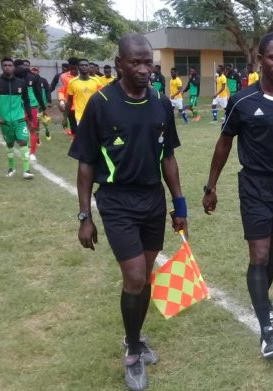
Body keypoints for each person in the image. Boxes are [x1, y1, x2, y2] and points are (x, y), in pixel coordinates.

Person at [69, 33, 187, 391]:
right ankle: (133, 353)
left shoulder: (160, 104)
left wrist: (179, 205)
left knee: (147, 275)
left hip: (152, 200)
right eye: (134, 62)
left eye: (147, 62)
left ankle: (134, 337)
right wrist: (84, 216)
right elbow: (86, 163)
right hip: (117, 202)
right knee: (134, 277)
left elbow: (168, 156)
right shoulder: (102, 103)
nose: (143, 69)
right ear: (119, 63)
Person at [202, 32, 273, 359]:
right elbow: (224, 143)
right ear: (260, 60)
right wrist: (211, 186)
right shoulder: (243, 100)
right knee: (259, 254)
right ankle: (267, 331)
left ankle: (264, 300)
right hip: (254, 184)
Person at [0, 57, 34, 179]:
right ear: (2, 67)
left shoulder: (21, 83)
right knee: (9, 144)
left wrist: (29, 118)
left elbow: (27, 101)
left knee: (23, 141)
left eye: (10, 65)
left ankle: (27, 170)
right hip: (4, 121)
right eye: (5, 65)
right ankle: (11, 167)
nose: (7, 67)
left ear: (13, 67)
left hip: (19, 119)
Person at [14, 59, 47, 161]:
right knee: (20, 130)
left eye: (26, 65)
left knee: (32, 129)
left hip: (32, 107)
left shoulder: (34, 77)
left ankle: (32, 152)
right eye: (22, 65)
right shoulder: (13, 78)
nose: (24, 67)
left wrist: (43, 108)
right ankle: (25, 147)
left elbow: (38, 94)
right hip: (18, 107)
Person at [66, 59, 103, 126]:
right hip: (80, 116)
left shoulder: (96, 81)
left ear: (89, 67)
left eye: (86, 65)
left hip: (94, 115)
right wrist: (65, 117)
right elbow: (69, 101)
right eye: (82, 65)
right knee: (83, 136)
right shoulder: (72, 82)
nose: (84, 67)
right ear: (77, 67)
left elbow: (101, 99)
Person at [58, 57, 80, 136]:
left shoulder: (83, 76)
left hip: (83, 107)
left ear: (78, 66)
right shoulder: (63, 77)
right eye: (71, 67)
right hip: (70, 107)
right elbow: (61, 90)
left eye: (75, 67)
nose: (73, 70)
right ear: (69, 66)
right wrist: (61, 101)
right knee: (74, 130)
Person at [31, 66, 53, 141]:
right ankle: (37, 138)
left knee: (45, 121)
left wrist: (49, 101)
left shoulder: (43, 80)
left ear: (38, 71)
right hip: (34, 105)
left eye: (36, 70)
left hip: (42, 104)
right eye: (33, 70)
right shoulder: (28, 81)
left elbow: (48, 91)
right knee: (36, 122)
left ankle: (47, 131)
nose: (34, 71)